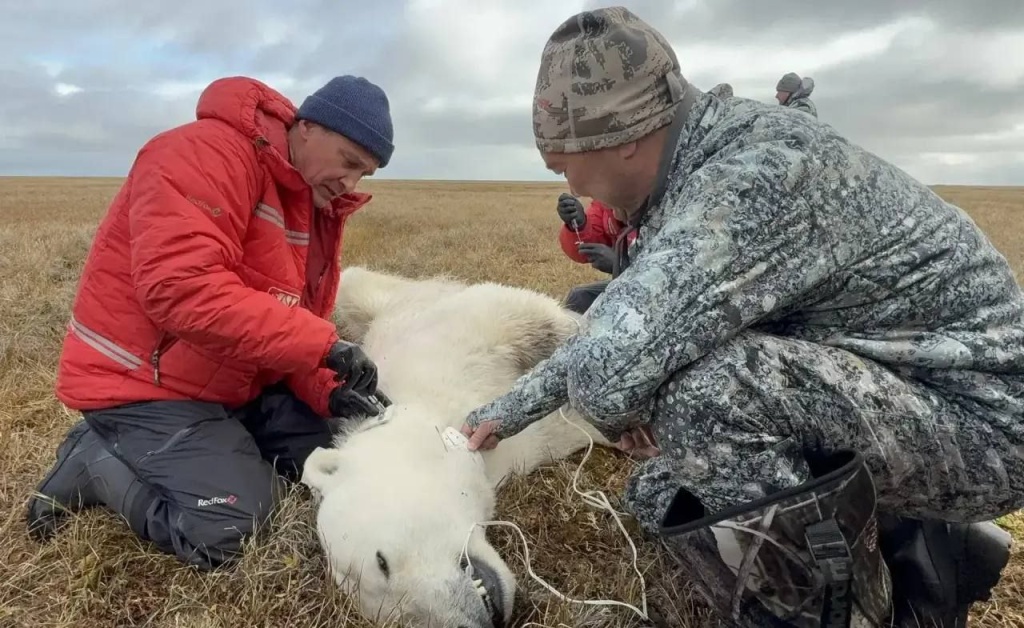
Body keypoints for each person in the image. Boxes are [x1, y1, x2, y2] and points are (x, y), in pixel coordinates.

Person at [461, 7, 1022, 627]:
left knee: (705, 397)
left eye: (564, 160)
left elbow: (610, 370)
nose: (566, 180)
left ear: (622, 137)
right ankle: (928, 546)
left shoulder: (750, 177)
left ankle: (842, 617)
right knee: (665, 494)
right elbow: (632, 328)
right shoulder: (714, 151)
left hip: (987, 424)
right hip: (911, 392)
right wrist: (502, 414)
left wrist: (628, 396)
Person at [25, 75, 395, 571]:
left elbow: (284, 322)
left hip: (229, 380)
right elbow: (180, 289)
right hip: (143, 386)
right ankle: (96, 463)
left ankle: (220, 447)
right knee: (236, 528)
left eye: (364, 175)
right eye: (349, 162)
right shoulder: (202, 154)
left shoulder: (306, 198)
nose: (350, 183)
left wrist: (328, 387)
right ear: (306, 127)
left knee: (333, 467)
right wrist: (323, 344)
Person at [554, 193, 636, 313]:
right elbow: (582, 252)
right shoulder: (606, 200)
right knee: (579, 297)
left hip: (657, 289)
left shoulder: (660, 200)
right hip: (628, 278)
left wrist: (620, 266)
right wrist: (580, 225)